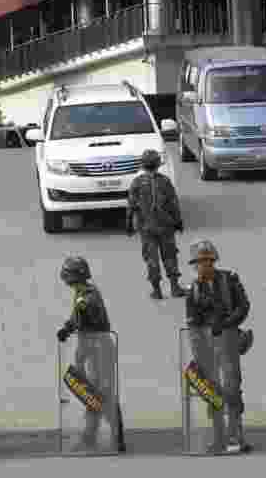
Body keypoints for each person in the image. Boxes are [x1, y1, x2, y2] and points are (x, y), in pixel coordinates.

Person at [184, 240, 253, 453]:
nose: (203, 266)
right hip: (207, 347)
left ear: (213, 261)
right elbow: (192, 324)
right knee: (212, 392)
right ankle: (218, 437)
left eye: (207, 261)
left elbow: (243, 306)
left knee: (232, 389)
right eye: (199, 263)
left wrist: (226, 324)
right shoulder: (193, 289)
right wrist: (198, 352)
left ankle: (236, 437)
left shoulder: (230, 280)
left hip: (228, 342)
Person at [56, 256, 126, 452]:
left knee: (105, 394)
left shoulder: (89, 294)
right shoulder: (81, 292)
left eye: (68, 274)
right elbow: (77, 316)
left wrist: (75, 325)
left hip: (100, 348)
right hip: (90, 347)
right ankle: (89, 437)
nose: (65, 277)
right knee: (90, 393)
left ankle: (117, 438)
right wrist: (67, 328)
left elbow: (88, 316)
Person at [127, 148, 186, 299]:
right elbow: (173, 203)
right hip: (166, 226)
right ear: (158, 164)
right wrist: (178, 221)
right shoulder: (165, 181)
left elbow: (131, 206)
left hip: (146, 227)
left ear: (142, 165)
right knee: (170, 255)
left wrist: (129, 224)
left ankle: (157, 290)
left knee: (151, 258)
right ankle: (175, 287)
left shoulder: (137, 183)